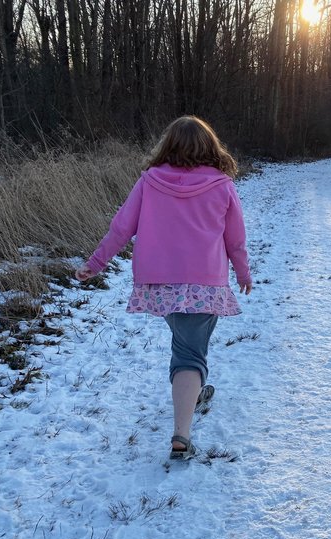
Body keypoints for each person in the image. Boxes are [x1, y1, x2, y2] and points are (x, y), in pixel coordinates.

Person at [75, 116, 252, 460]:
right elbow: (236, 240)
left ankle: (191, 389)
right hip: (204, 284)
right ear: (210, 147)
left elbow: (121, 228)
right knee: (190, 353)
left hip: (160, 284)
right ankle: (182, 435)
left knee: (185, 343)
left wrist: (95, 262)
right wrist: (243, 274)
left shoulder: (150, 181)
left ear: (166, 146)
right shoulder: (221, 184)